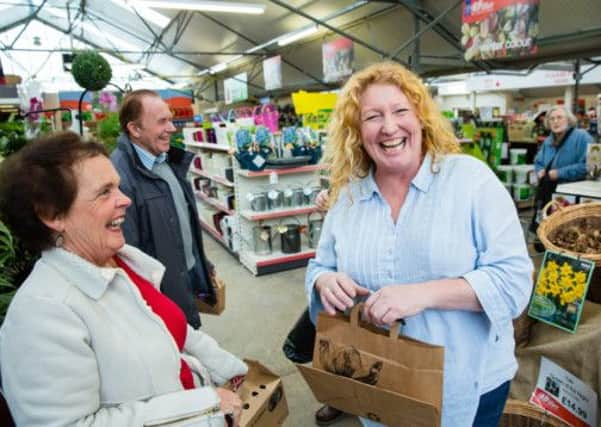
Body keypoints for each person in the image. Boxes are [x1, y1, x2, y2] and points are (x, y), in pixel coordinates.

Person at [305, 62, 533, 427]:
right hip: (377, 381)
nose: (389, 127)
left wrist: (422, 294)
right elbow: (321, 266)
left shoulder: (469, 181)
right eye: (372, 117)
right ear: (357, 131)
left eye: (400, 111)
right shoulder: (349, 196)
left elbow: (514, 282)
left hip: (465, 383)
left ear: (421, 117)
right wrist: (324, 281)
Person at [0, 132, 246, 426]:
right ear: (52, 214)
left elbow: (173, 333)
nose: (126, 199)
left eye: (117, 186)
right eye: (105, 192)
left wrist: (231, 371)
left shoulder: (120, 264)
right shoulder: (41, 314)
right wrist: (204, 408)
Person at [112, 89, 214, 329]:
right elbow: (127, 257)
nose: (172, 128)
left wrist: (201, 262)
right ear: (135, 129)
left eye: (170, 119)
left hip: (183, 278)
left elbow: (180, 220)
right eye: (162, 122)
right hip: (161, 297)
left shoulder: (164, 160)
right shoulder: (120, 178)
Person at [530, 105, 593, 242]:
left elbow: (589, 165)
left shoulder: (582, 137)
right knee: (547, 233)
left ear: (569, 120)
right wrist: (539, 170)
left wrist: (560, 173)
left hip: (572, 194)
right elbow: (538, 162)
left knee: (568, 234)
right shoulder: (548, 141)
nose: (555, 121)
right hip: (549, 192)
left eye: (559, 117)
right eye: (551, 119)